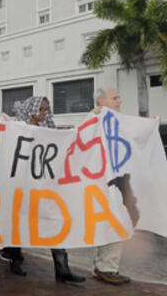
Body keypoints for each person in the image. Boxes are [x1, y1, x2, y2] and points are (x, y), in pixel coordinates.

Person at [0, 96, 85, 283]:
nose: (45, 113)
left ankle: (62, 269)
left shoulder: (49, 130)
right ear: (33, 109)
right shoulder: (17, 128)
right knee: (20, 222)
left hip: (45, 186)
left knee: (55, 221)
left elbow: (64, 142)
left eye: (47, 109)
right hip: (22, 184)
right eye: (42, 109)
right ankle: (14, 260)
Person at [90, 87, 130, 285]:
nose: (120, 101)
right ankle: (106, 267)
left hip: (114, 185)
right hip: (99, 185)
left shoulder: (118, 121)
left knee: (114, 224)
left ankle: (104, 266)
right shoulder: (93, 120)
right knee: (115, 224)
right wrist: (91, 116)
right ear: (101, 102)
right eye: (115, 97)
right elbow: (78, 136)